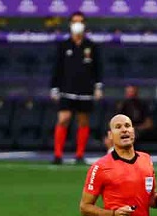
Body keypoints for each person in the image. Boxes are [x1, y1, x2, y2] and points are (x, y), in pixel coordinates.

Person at [50, 11, 103, 165]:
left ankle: (79, 155)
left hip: (85, 89)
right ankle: (58, 154)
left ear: (84, 24)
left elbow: (98, 68)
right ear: (70, 24)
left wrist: (98, 87)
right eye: (74, 21)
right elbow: (57, 68)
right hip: (66, 88)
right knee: (63, 119)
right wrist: (54, 87)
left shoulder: (91, 46)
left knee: (83, 121)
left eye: (80, 21)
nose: (77, 24)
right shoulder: (64, 45)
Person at [104, 85, 157, 151]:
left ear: (137, 91)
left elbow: (149, 124)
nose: (131, 92)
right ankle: (113, 156)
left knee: (129, 136)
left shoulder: (142, 105)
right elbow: (111, 122)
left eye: (132, 90)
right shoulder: (121, 104)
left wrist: (134, 128)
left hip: (137, 131)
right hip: (121, 130)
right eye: (129, 90)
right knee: (109, 139)